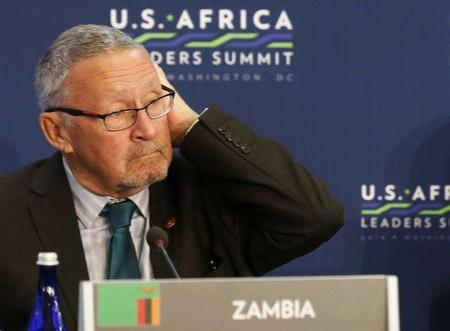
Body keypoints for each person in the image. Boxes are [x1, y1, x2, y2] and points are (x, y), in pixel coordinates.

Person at [0, 25, 343, 330]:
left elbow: (315, 218)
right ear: (58, 132)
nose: (147, 130)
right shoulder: (9, 214)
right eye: (119, 113)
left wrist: (189, 126)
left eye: (155, 103)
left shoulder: (209, 199)